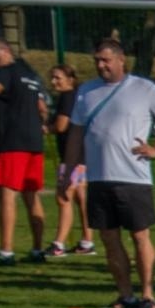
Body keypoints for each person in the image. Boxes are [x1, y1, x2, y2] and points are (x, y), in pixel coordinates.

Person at [63, 38, 155, 308]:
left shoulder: (143, 88)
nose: (101, 65)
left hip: (133, 177)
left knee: (139, 236)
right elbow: (75, 133)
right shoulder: (86, 91)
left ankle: (148, 295)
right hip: (98, 177)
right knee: (109, 238)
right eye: (97, 60)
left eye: (106, 60)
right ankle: (125, 295)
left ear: (121, 60)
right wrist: (68, 172)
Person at [0, 36, 49, 264]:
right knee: (31, 196)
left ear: (4, 50)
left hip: (13, 142)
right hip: (34, 143)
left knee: (7, 196)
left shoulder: (6, 71)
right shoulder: (29, 73)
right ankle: (38, 250)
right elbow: (42, 107)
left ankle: (6, 252)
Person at [45, 63, 97, 258]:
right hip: (83, 155)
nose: (53, 82)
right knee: (81, 198)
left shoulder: (67, 97)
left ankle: (59, 244)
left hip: (71, 156)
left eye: (58, 78)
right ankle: (87, 241)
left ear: (70, 79)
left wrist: (47, 128)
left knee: (63, 197)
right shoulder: (78, 97)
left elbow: (61, 125)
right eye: (52, 78)